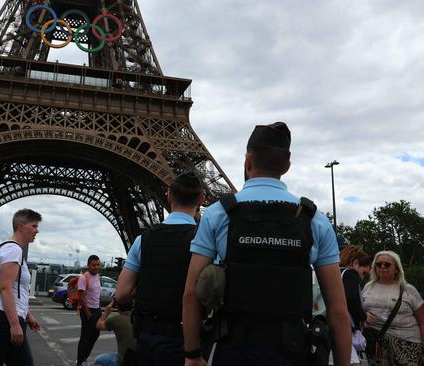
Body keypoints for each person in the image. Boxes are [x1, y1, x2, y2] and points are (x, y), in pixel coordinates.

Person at [182, 121, 352, 366]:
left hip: (234, 350)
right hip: (293, 352)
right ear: (287, 166)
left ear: (248, 161)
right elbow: (338, 312)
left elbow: (191, 292)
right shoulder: (315, 219)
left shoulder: (218, 213)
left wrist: (192, 354)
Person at [114, 171, 205, 366]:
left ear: (169, 196)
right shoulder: (203, 241)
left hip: (146, 337)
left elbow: (121, 294)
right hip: (183, 339)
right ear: (201, 199)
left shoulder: (143, 240)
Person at [0, 209, 42, 366]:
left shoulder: (8, 248)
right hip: (4, 319)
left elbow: (14, 289)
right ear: (21, 227)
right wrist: (14, 324)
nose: (37, 230)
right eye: (34, 226)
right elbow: (5, 288)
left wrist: (27, 315)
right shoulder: (13, 250)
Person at [361, 251, 423, 366]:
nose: (382, 267)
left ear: (397, 269)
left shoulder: (408, 289)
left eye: (387, 264)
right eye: (379, 264)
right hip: (375, 345)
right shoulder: (368, 286)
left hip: (406, 344)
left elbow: (422, 322)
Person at [76, 255, 102, 366]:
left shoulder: (98, 277)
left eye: (97, 265)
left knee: (95, 335)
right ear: (88, 265)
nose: (96, 267)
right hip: (88, 310)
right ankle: (81, 361)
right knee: (86, 337)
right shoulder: (83, 277)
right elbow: (81, 297)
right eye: (93, 265)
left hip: (97, 309)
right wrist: (87, 313)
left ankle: (84, 358)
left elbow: (96, 294)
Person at [94, 300, 137, 366]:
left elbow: (98, 325)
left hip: (124, 361)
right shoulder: (137, 318)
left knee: (98, 360)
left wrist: (106, 311)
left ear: (117, 306)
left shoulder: (117, 320)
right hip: (139, 359)